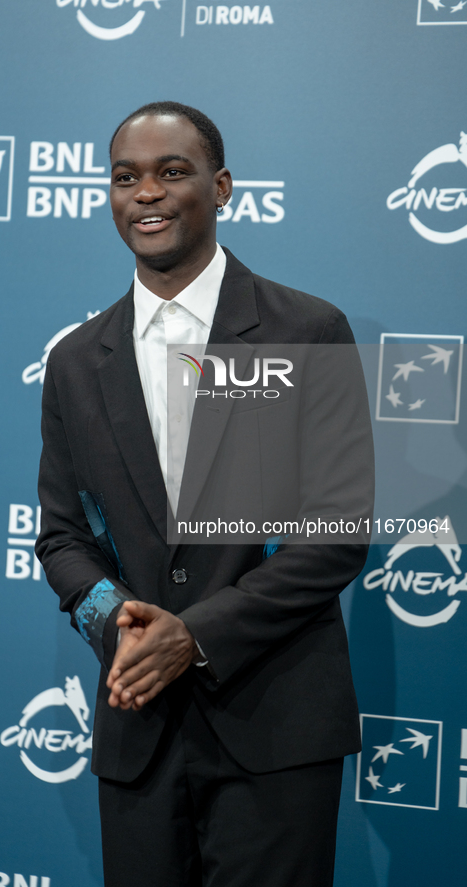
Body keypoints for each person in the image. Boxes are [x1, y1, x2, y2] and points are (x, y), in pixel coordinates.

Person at [35, 101, 374, 887]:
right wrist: (116, 625)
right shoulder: (76, 359)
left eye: (171, 172)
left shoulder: (305, 329)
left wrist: (193, 634)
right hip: (137, 728)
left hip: (274, 728)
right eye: (125, 177)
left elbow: (335, 533)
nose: (145, 193)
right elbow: (62, 538)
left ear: (221, 188)